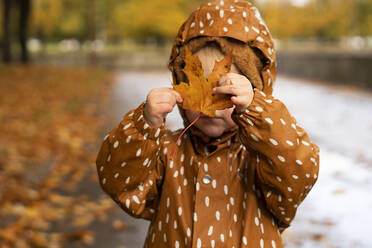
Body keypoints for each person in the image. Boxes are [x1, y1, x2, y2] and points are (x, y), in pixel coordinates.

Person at [95, 0, 320, 247]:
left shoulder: (261, 157)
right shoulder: (165, 151)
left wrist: (259, 111)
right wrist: (143, 127)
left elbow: (297, 173)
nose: (211, 103)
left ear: (254, 92)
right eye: (198, 86)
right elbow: (121, 182)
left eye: (226, 92)